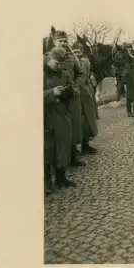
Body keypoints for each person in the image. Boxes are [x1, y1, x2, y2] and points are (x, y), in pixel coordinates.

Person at [44, 46, 76, 193]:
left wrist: (69, 92)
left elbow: (73, 87)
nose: (59, 66)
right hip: (47, 116)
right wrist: (52, 92)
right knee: (48, 149)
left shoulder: (64, 72)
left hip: (63, 114)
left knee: (63, 146)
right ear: (49, 58)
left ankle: (61, 178)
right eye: (56, 63)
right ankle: (46, 183)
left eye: (61, 63)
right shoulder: (41, 73)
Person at [51, 30, 85, 167]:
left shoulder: (72, 57)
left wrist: (75, 86)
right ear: (54, 42)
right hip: (57, 99)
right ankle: (58, 163)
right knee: (60, 130)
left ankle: (73, 156)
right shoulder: (47, 58)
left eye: (65, 41)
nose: (64, 43)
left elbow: (81, 74)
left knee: (74, 126)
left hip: (72, 97)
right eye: (61, 41)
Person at [72, 42, 99, 154]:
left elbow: (88, 74)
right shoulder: (70, 62)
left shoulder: (85, 61)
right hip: (77, 92)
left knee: (88, 118)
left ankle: (86, 143)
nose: (77, 54)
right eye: (75, 52)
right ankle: (77, 147)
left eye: (79, 51)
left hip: (87, 91)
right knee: (80, 119)